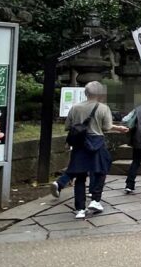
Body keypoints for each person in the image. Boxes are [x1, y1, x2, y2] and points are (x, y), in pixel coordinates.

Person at [50, 81, 128, 218]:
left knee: (80, 176)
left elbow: (68, 126)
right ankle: (95, 200)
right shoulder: (103, 108)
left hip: (80, 143)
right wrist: (118, 128)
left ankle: (80, 209)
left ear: (86, 93)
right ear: (100, 94)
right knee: (101, 170)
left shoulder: (75, 108)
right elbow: (106, 127)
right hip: (97, 142)